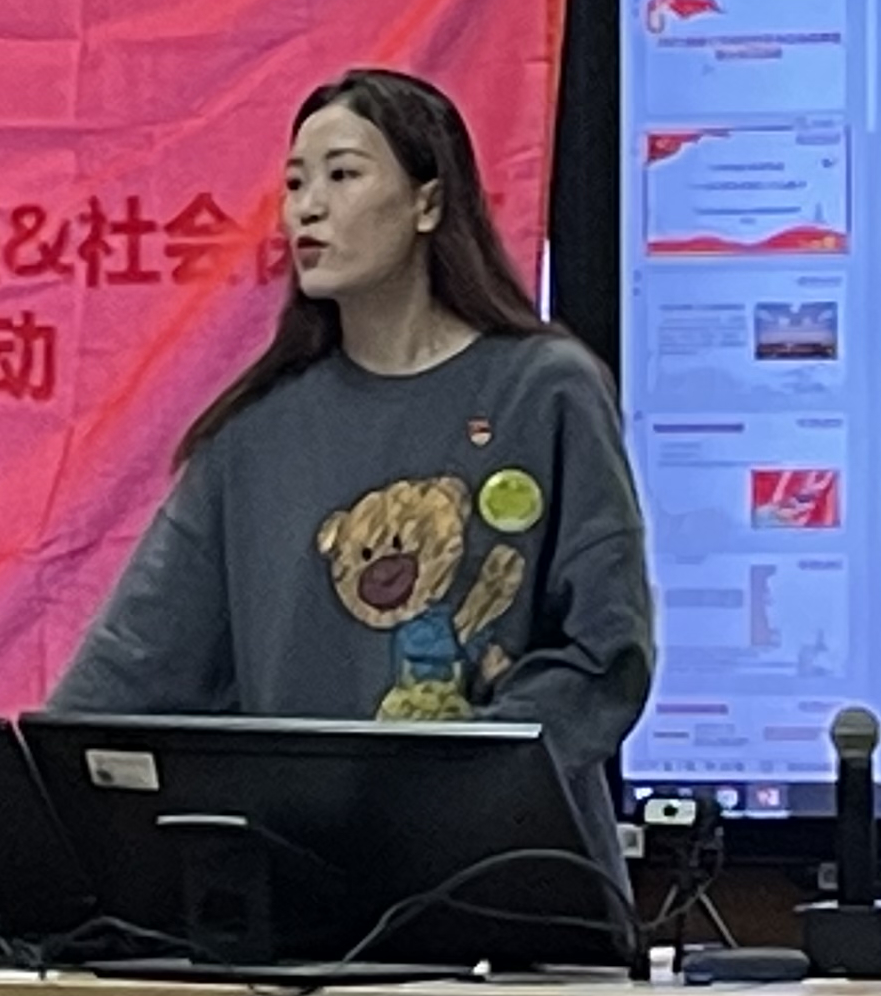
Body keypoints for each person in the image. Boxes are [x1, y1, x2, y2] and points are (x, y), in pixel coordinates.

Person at [49, 68, 655, 890]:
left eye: (342, 175)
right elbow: (126, 681)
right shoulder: (253, 434)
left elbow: (604, 652)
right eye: (296, 183)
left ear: (428, 204)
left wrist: (453, 785)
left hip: (509, 888)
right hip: (314, 897)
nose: (308, 207)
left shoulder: (543, 389)